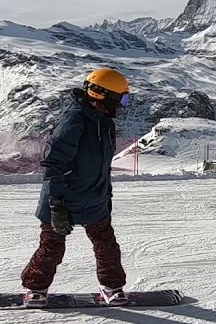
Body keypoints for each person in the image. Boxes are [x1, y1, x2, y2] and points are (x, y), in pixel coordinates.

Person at [20, 67, 132, 307]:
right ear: (105, 96)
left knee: (106, 245)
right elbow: (54, 165)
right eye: (122, 98)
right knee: (51, 246)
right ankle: (35, 288)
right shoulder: (73, 121)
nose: (123, 105)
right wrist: (56, 204)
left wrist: (106, 196)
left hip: (95, 199)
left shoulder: (105, 123)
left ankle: (112, 287)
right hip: (62, 199)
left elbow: (101, 167)